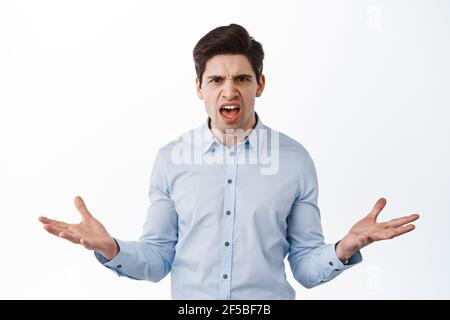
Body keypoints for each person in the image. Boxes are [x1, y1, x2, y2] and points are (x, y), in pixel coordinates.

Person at [38, 24, 420, 300]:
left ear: (260, 85)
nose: (229, 90)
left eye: (241, 77)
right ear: (199, 88)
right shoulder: (171, 159)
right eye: (216, 79)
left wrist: (344, 247)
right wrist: (111, 248)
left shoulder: (295, 160)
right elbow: (157, 259)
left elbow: (305, 268)